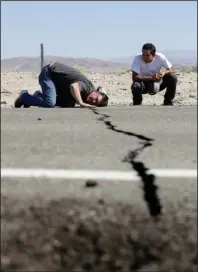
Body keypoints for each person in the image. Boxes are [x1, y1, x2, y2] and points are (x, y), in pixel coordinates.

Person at [14, 62, 109, 108]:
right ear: (96, 92)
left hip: (57, 83)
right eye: (95, 98)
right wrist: (81, 103)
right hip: (49, 73)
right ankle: (24, 96)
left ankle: (37, 97)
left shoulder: (88, 94)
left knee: (68, 104)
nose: (92, 101)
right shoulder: (86, 86)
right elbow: (74, 86)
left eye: (94, 103)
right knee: (49, 103)